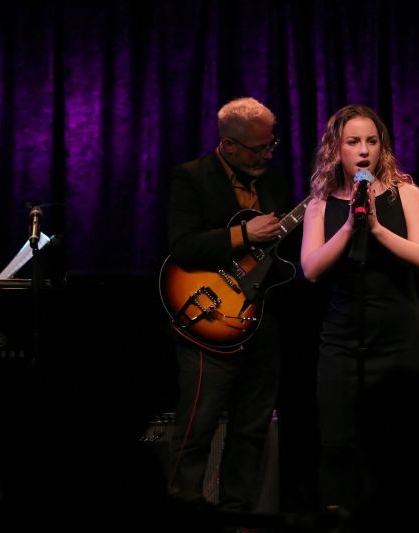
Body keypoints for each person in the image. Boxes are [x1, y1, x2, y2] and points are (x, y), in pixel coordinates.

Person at [300, 104, 419, 512]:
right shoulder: (320, 203)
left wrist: (375, 228)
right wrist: (349, 225)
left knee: (401, 449)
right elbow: (311, 269)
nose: (364, 150)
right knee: (338, 448)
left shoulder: (405, 193)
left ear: (382, 147)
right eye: (353, 142)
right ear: (336, 149)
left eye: (372, 141)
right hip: (342, 341)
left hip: (398, 338)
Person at [166, 96, 295, 514]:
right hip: (209, 316)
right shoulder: (191, 177)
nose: (268, 154)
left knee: (252, 427)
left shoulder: (274, 182)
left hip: (261, 317)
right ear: (228, 145)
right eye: (259, 148)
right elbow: (183, 246)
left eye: (271, 144)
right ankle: (183, 511)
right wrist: (244, 235)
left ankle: (238, 514)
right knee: (197, 427)